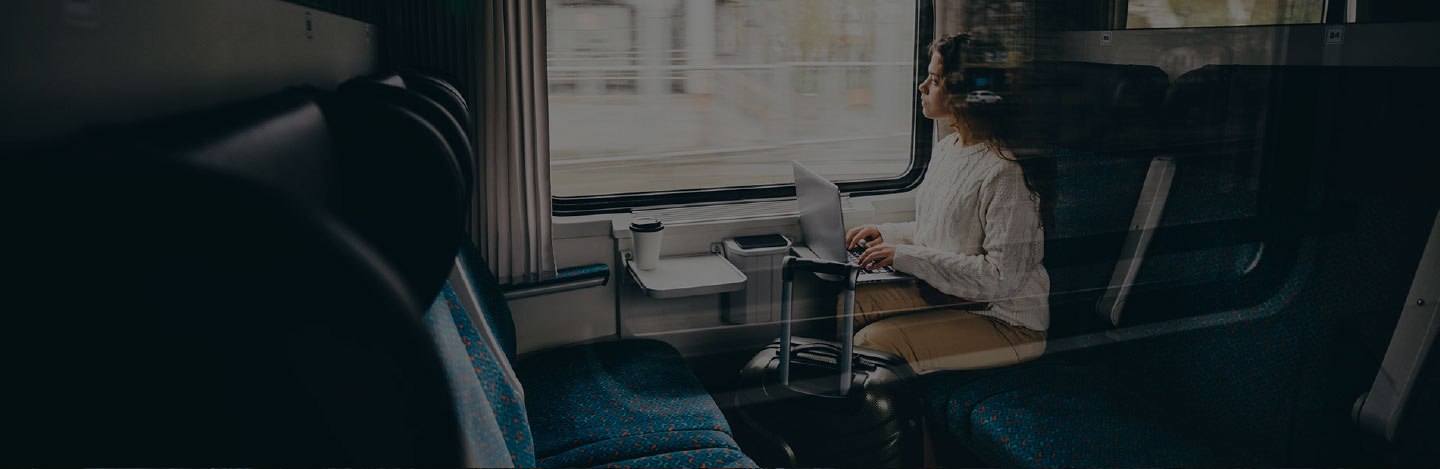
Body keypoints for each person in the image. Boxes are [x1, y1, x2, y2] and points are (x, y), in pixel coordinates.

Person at [840, 32, 1050, 374]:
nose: (923, 87)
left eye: (935, 80)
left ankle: (891, 425)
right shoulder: (949, 147)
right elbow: (941, 229)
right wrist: (885, 234)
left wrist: (904, 255)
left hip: (1005, 320)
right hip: (955, 294)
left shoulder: (1007, 173)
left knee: (872, 342)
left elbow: (1001, 279)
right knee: (849, 305)